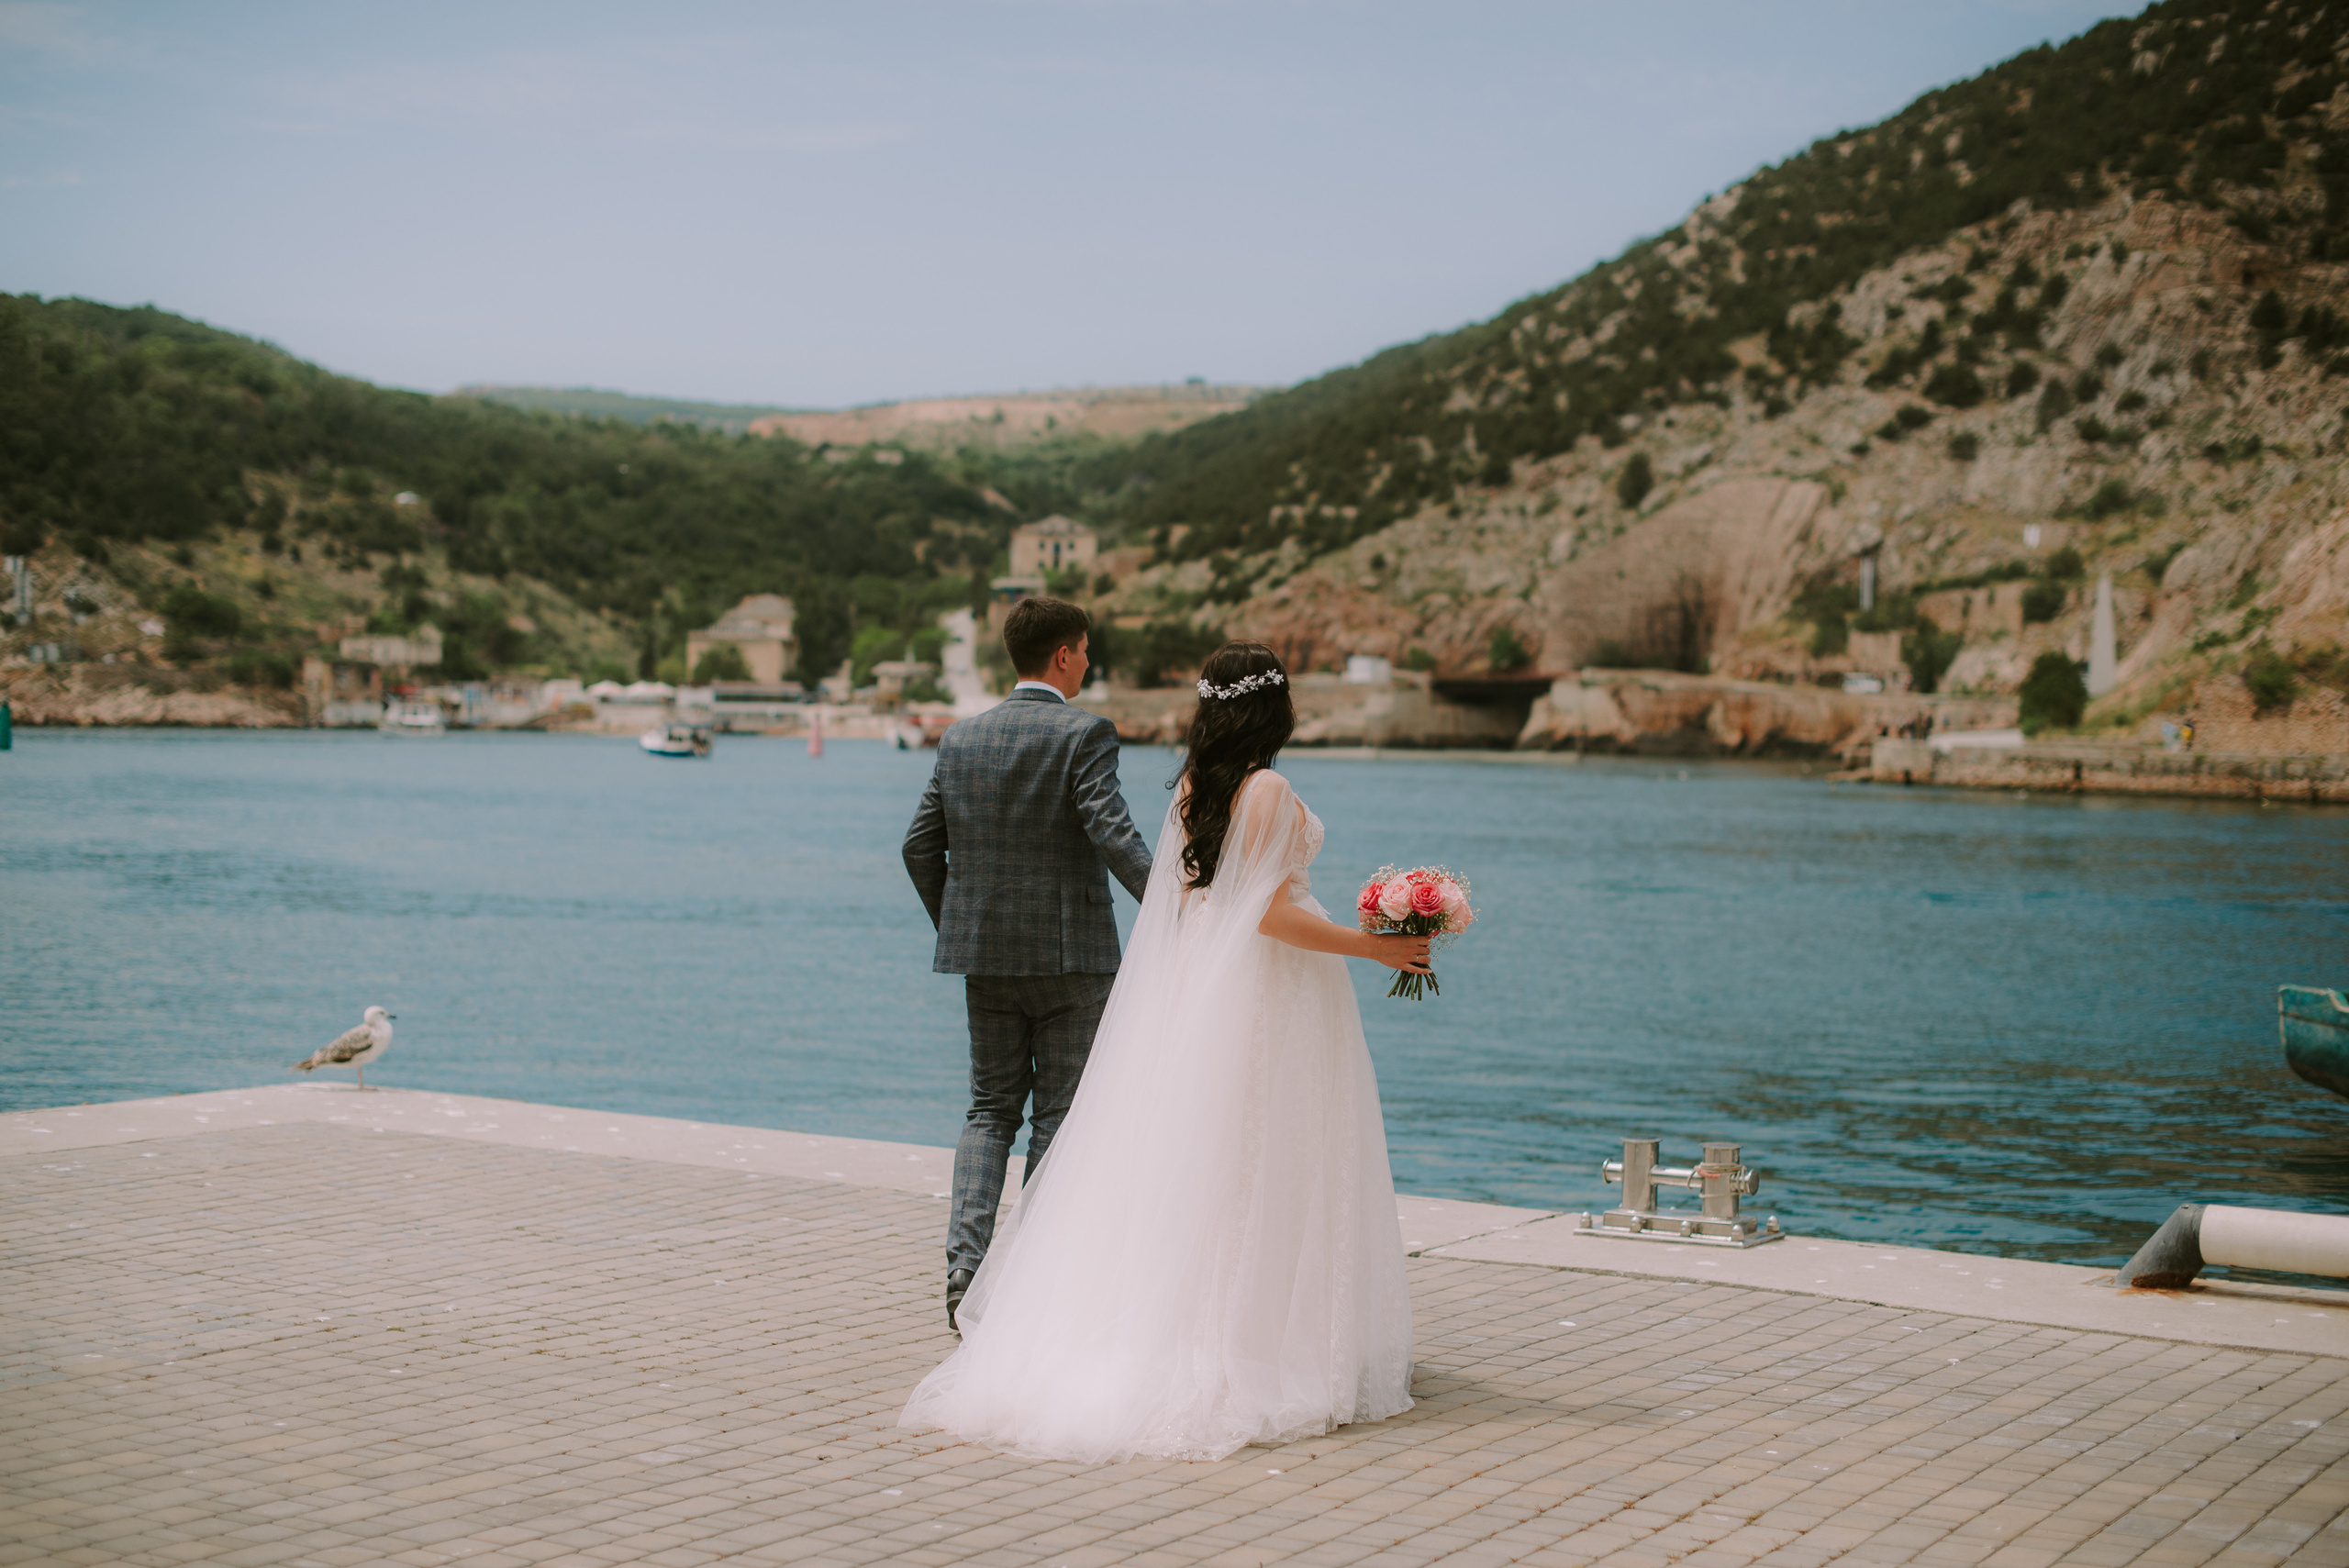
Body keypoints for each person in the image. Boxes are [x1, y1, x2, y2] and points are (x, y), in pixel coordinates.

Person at [899, 641, 1432, 1463]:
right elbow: (1264, 915)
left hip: (1219, 990)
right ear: (1274, 708)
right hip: (1269, 992)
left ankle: (1218, 1324)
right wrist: (1374, 945)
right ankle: (1258, 1341)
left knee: (1217, 1160)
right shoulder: (1269, 788)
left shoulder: (1192, 788)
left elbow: (1195, 900)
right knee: (1267, 1155)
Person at [902, 597, 1154, 1332]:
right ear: (1066, 655)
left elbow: (919, 847)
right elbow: (1115, 835)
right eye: (1086, 649)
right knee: (1060, 1117)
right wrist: (1175, 903)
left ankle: (965, 1267)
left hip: (986, 958)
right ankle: (1031, 1274)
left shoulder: (960, 739)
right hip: (1074, 960)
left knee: (988, 1110)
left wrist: (962, 921)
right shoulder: (1086, 734)